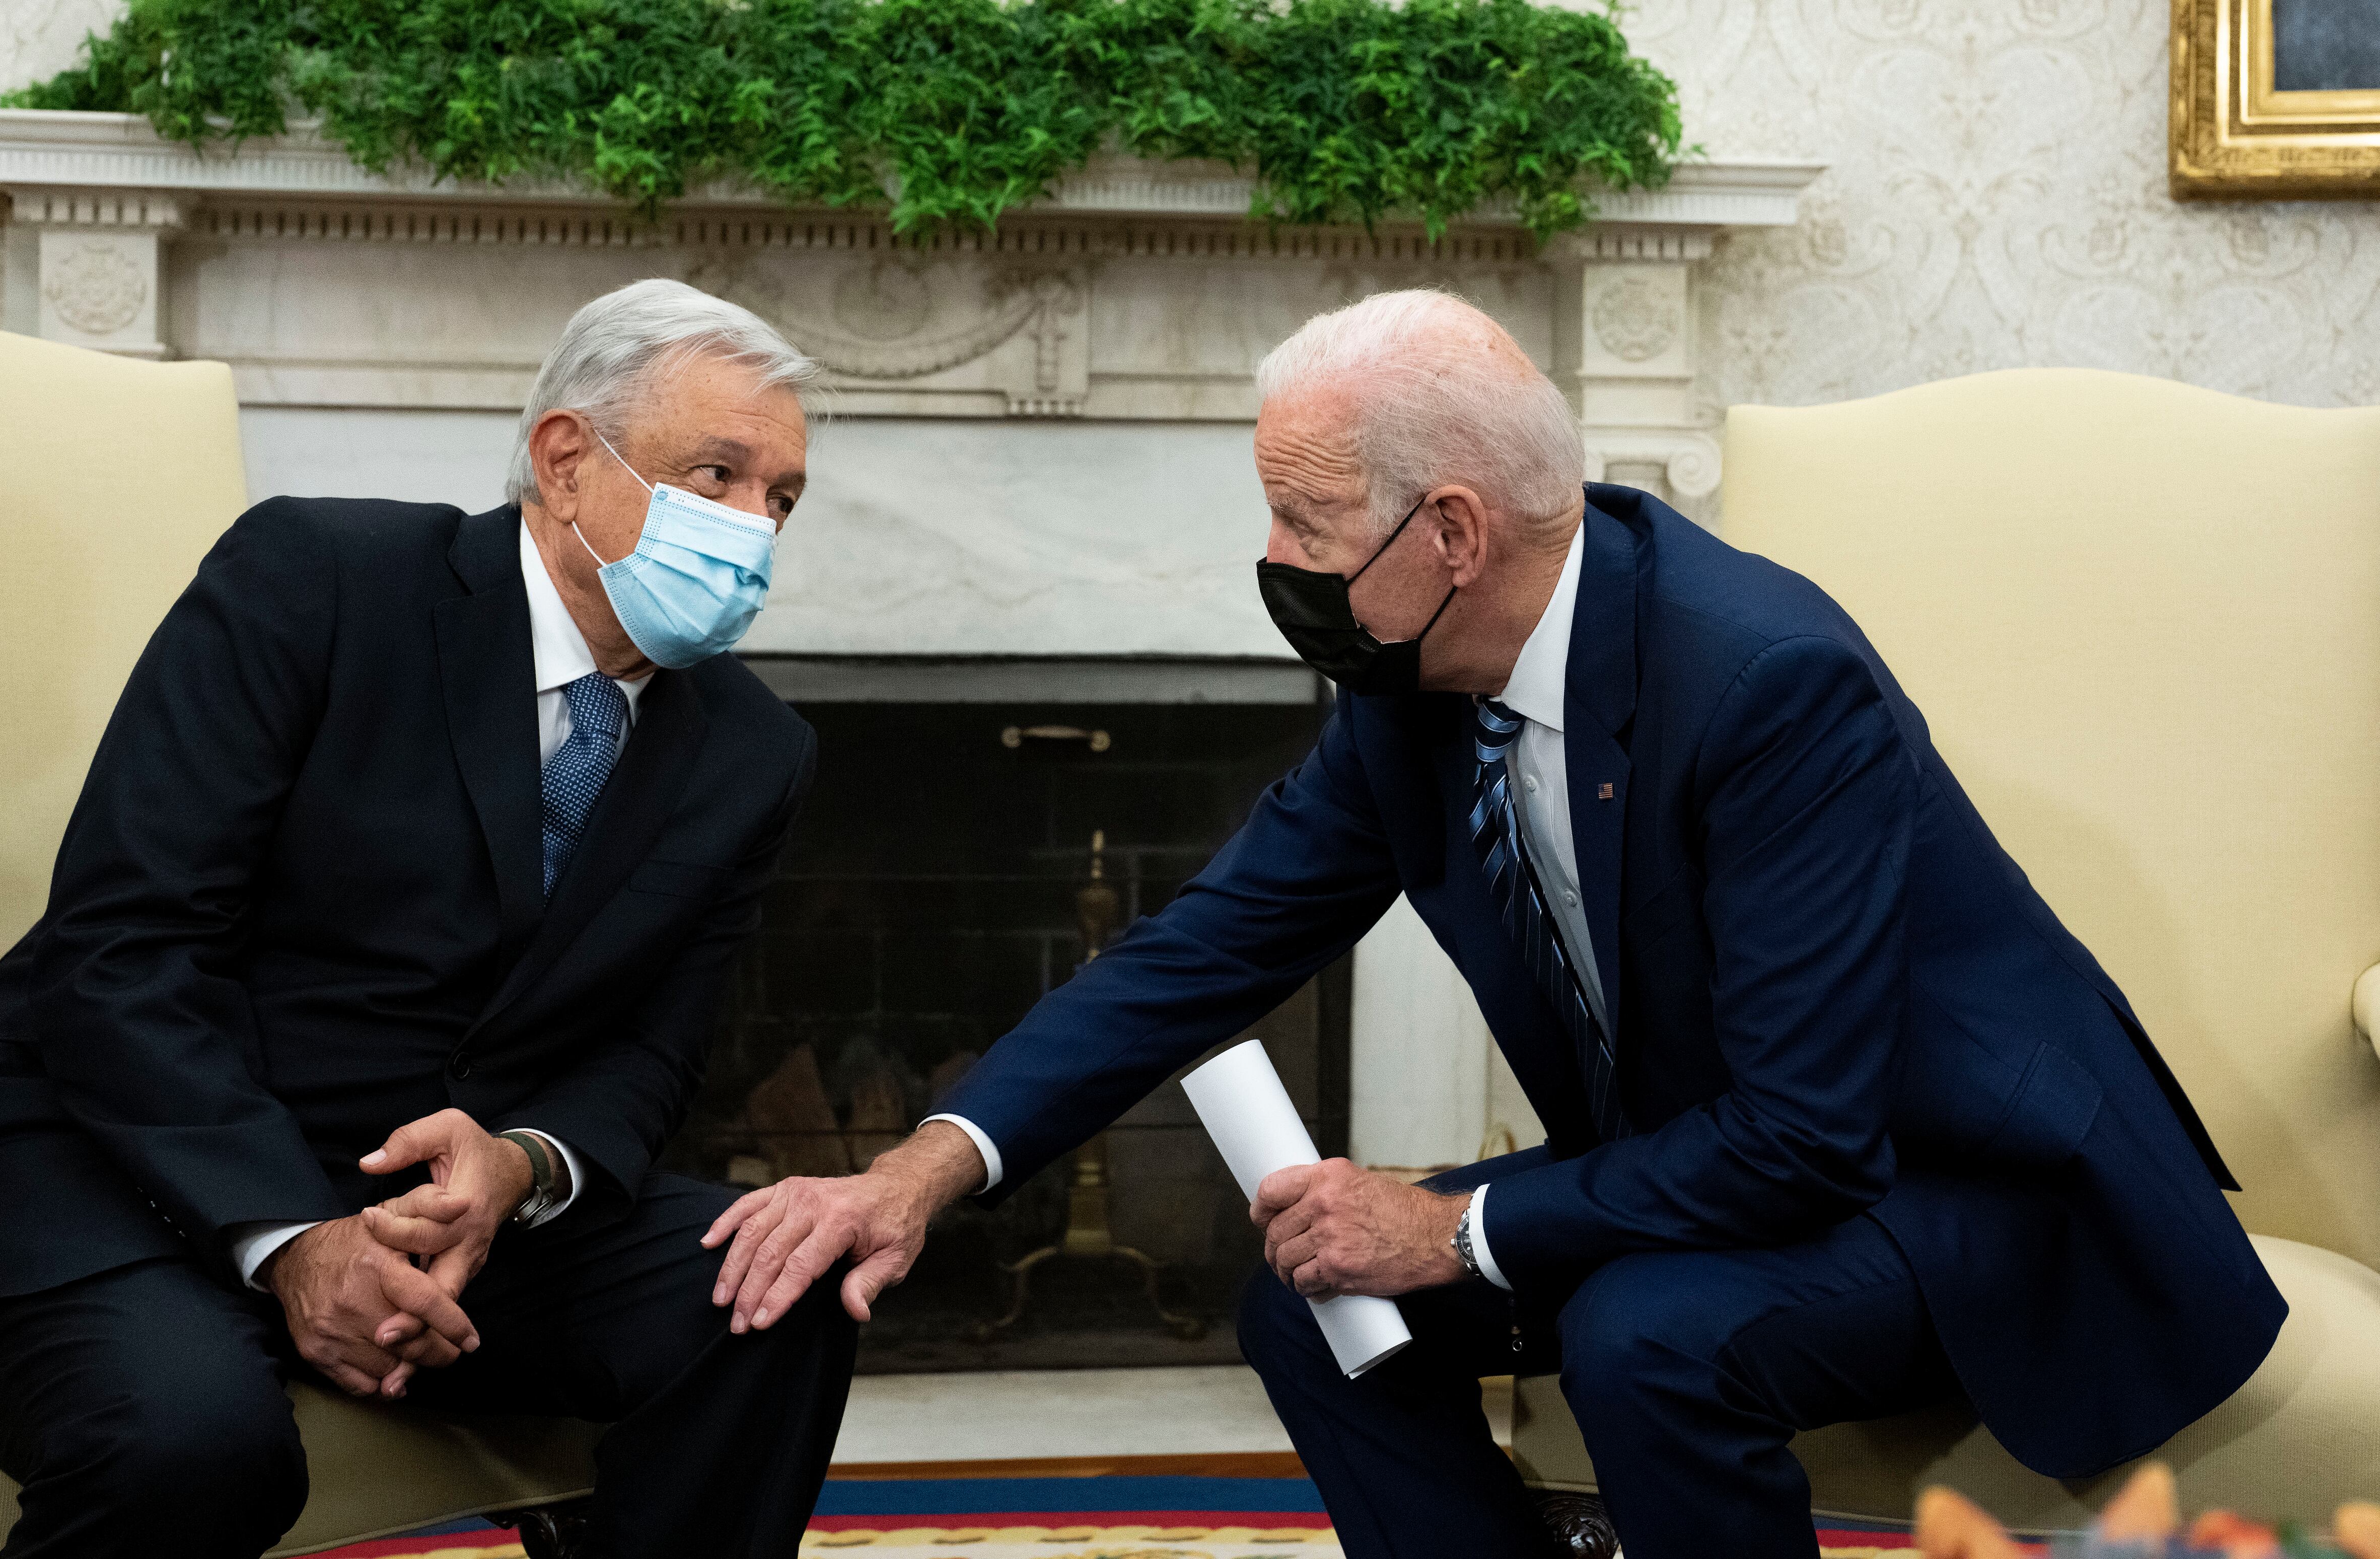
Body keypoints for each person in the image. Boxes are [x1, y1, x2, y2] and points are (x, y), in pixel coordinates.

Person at [700, 290, 2287, 1559]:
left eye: (1305, 525)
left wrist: (1449, 1225)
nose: (1274, 564)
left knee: (1650, 1332)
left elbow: (1807, 1138)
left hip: (1963, 1184)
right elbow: (1203, 949)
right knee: (1319, 1305)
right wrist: (924, 1165)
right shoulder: (1410, 692)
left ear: (1451, 535)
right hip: (1732, 1159)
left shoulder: (1764, 684)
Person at [0, 279, 854, 1558]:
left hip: (451, 1218)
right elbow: (122, 947)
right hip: (115, 1164)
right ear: (565, 459)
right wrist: (292, 1234)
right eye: (716, 473)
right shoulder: (320, 577)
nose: (752, 528)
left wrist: (524, 1167)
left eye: (780, 498)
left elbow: (650, 1054)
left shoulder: (755, 749)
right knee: (194, 1444)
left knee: (776, 1284)